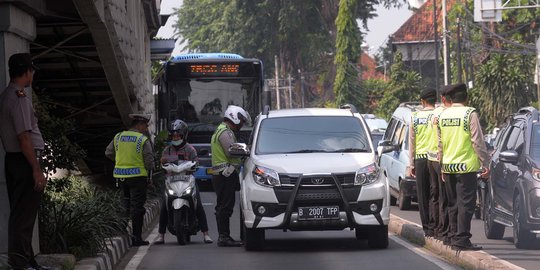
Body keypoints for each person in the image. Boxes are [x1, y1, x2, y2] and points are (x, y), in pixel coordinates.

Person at [0, 53, 51, 270]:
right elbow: (24, 138)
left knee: (22, 214)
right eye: (32, 71)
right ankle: (21, 264)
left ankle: (28, 262)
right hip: (23, 162)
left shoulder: (6, 95)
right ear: (27, 72)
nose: (33, 75)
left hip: (15, 161)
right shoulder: (19, 98)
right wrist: (36, 170)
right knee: (23, 217)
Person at [437, 83, 489, 251]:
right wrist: (485, 163)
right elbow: (477, 141)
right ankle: (462, 239)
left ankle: (452, 237)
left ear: (450, 98)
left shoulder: (443, 115)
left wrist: (442, 165)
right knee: (466, 204)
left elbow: (440, 143)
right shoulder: (469, 113)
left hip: (449, 166)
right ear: (466, 98)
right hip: (466, 167)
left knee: (452, 203)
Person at [154, 119, 213, 244]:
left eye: (178, 135)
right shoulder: (167, 150)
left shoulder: (190, 149)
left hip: (188, 180)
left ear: (183, 135)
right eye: (173, 135)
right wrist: (163, 163)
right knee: (164, 206)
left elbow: (196, 162)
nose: (175, 137)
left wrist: (194, 164)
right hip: (172, 181)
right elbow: (162, 161)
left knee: (198, 206)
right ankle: (161, 235)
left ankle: (206, 234)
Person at [105, 113, 154, 246]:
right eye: (145, 126)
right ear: (140, 125)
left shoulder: (118, 137)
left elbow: (108, 152)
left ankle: (121, 231)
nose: (146, 129)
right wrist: (150, 178)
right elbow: (149, 160)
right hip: (138, 178)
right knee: (137, 207)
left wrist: (120, 161)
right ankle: (137, 238)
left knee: (125, 204)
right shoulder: (142, 139)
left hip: (121, 177)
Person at [211, 105, 250, 247]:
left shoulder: (223, 130)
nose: (242, 124)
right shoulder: (224, 132)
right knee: (225, 206)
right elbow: (230, 151)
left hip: (222, 174)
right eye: (241, 120)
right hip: (225, 174)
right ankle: (224, 237)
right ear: (234, 117)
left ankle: (223, 236)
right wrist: (246, 150)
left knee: (223, 205)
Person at [407, 88, 436, 237]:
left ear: (422, 102)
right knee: (435, 193)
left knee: (422, 194)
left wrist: (410, 164)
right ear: (435, 101)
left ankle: (427, 228)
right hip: (434, 158)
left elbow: (412, 142)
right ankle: (436, 224)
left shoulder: (415, 117)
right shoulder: (438, 115)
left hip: (420, 159)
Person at [428, 88, 452, 245]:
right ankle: (444, 230)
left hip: (431, 158)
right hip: (440, 158)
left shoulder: (435, 113)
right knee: (445, 197)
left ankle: (436, 228)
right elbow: (442, 140)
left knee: (435, 195)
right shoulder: (444, 114)